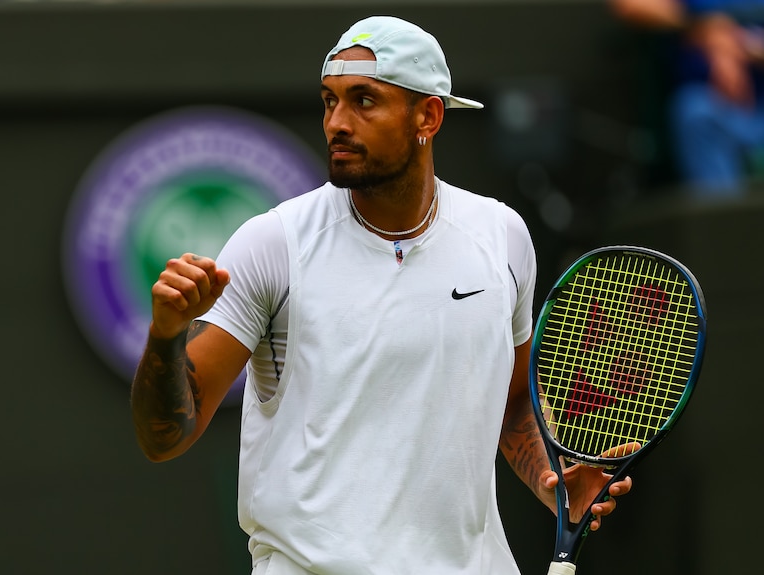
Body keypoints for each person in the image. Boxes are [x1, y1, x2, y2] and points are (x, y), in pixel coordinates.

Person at [131, 15, 633, 575]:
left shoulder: (504, 236)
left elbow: (511, 401)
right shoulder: (274, 243)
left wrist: (552, 480)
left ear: (428, 115)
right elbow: (166, 436)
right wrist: (167, 334)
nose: (336, 123)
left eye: (363, 101)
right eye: (329, 101)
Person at [609, 0, 764, 196]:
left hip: (758, 105)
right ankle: (725, 222)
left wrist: (740, 45)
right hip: (710, 106)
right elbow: (631, 6)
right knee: (694, 111)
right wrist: (705, 28)